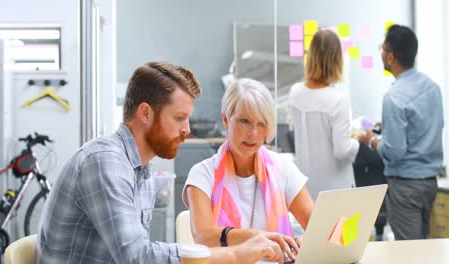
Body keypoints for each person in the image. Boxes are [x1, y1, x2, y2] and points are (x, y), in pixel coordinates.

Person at [36, 62, 286, 264]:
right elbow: (137, 257)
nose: (187, 130)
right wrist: (235, 254)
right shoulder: (105, 162)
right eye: (179, 118)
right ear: (145, 113)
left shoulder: (142, 170)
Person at [183, 78, 314, 262]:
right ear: (226, 119)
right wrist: (256, 238)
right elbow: (203, 236)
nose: (253, 133)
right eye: (245, 121)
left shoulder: (283, 168)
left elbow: (318, 226)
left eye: (261, 124)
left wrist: (307, 241)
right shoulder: (202, 174)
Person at [359, 25, 443, 240]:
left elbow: (394, 151)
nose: (381, 53)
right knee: (423, 248)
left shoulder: (394, 97)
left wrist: (372, 140)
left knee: (409, 253)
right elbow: (428, 127)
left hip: (406, 186)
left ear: (391, 57)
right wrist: (388, 127)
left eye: (382, 49)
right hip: (430, 183)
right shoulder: (432, 87)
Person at [287, 29, 359, 200]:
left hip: (306, 189)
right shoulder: (338, 101)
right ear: (337, 60)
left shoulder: (295, 92)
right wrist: (356, 141)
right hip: (336, 191)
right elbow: (342, 150)